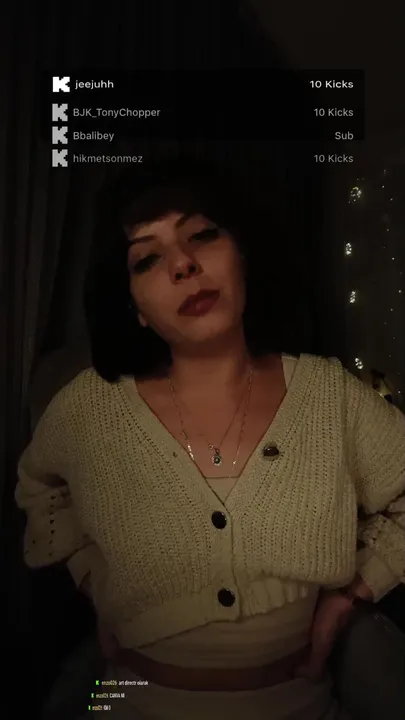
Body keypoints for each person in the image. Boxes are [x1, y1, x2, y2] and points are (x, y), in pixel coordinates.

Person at [15, 154, 405, 719]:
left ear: (241, 255)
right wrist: (94, 576)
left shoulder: (330, 397)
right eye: (147, 258)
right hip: (125, 701)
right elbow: (40, 489)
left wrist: (351, 596)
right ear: (135, 308)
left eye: (201, 235)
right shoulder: (90, 408)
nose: (183, 265)